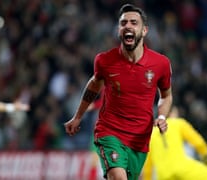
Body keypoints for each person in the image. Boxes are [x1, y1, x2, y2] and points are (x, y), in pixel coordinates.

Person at [64, 3, 173, 180]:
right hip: (109, 132)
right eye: (123, 23)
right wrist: (78, 117)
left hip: (139, 140)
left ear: (144, 30)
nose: (128, 26)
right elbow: (93, 86)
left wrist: (161, 116)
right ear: (119, 30)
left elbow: (166, 96)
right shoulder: (105, 61)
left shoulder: (160, 64)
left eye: (133, 22)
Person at [141, 106, 207, 180]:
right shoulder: (178, 123)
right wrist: (206, 160)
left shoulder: (150, 135)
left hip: (163, 175)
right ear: (172, 112)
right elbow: (199, 143)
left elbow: (148, 166)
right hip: (182, 168)